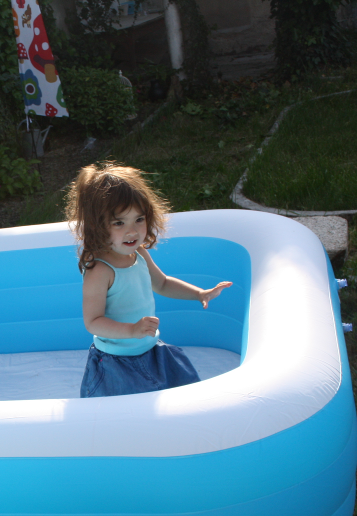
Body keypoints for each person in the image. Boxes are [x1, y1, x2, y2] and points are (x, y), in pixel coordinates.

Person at [66, 163, 232, 398]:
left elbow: (162, 283)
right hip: (116, 362)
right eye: (119, 222)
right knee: (127, 414)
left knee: (186, 393)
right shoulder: (100, 270)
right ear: (97, 225)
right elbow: (93, 321)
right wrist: (132, 329)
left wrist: (199, 293)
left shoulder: (139, 253)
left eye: (139, 219)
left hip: (151, 348)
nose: (132, 231)